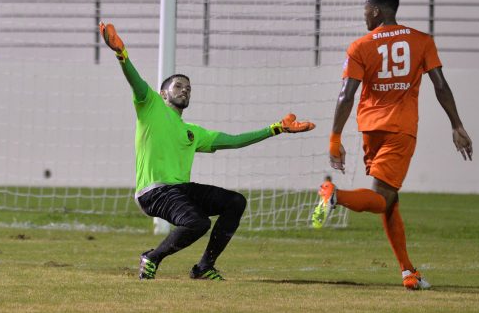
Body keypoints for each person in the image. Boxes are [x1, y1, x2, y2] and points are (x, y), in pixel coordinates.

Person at [99, 21, 316, 281]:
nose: (185, 89)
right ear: (163, 93)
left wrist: (275, 129)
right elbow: (135, 82)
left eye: (188, 88)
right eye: (178, 86)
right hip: (154, 192)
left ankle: (204, 267)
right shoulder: (150, 105)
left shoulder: (193, 132)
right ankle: (152, 258)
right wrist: (121, 54)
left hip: (179, 189)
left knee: (235, 202)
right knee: (199, 223)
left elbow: (234, 141)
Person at [311, 0, 473, 290]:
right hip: (400, 129)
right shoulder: (422, 41)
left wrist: (335, 137)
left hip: (370, 130)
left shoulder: (360, 46)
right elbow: (440, 85)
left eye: (365, 10)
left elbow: (346, 95)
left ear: (376, 10)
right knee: (382, 198)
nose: (364, 15)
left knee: (390, 200)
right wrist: (456, 124)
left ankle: (407, 271)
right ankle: (334, 195)